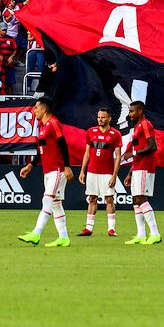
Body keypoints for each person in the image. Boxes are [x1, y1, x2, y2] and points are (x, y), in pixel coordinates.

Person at [17, 97, 74, 248]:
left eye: (36, 108)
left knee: (47, 200)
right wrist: (30, 165)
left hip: (57, 169)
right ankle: (64, 237)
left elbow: (63, 144)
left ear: (44, 109)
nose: (34, 111)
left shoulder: (53, 123)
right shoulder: (41, 126)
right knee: (56, 203)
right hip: (48, 170)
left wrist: (67, 166)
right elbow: (41, 151)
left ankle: (36, 233)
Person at [77, 108, 122, 237]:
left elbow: (118, 156)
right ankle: (88, 229)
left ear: (109, 118)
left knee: (109, 199)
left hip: (107, 172)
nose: (100, 120)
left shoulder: (115, 134)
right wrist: (82, 171)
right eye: (98, 117)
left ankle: (111, 229)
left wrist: (114, 175)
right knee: (92, 199)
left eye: (103, 117)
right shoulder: (90, 132)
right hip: (92, 171)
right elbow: (87, 153)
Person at [122, 100, 161, 245]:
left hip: (145, 167)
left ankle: (155, 233)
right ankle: (141, 234)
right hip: (137, 167)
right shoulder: (137, 127)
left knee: (141, 199)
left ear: (140, 111)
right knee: (135, 201)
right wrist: (130, 172)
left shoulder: (145, 124)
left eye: (132, 111)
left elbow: (153, 146)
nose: (130, 114)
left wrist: (133, 153)